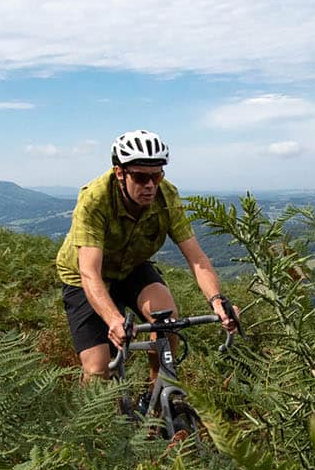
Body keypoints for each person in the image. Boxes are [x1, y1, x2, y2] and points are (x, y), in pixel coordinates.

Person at [55, 129, 237, 381]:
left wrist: (217, 301)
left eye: (157, 176)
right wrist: (113, 319)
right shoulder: (95, 199)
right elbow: (89, 273)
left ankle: (159, 396)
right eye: (140, 177)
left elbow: (197, 259)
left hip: (131, 266)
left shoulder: (167, 195)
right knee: (98, 367)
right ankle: (92, 420)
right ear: (120, 173)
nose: (150, 185)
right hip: (84, 275)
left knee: (167, 321)